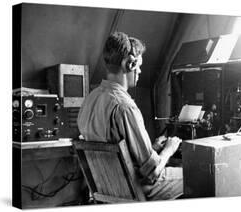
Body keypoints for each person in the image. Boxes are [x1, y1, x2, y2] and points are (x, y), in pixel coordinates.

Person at [77, 31, 183, 200]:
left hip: (108, 189)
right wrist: (169, 150)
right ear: (129, 64)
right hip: (136, 191)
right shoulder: (125, 108)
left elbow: (120, 153)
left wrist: (153, 148)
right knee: (193, 176)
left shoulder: (90, 99)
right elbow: (152, 173)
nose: (140, 71)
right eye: (138, 65)